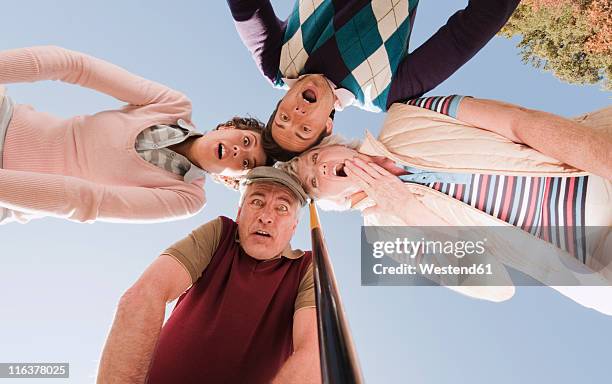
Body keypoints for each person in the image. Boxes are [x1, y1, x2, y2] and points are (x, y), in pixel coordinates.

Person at [278, 95, 612, 313]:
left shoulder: (407, 113)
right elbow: (495, 287)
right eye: (313, 182)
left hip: (598, 163)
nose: (320, 168)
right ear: (335, 201)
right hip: (592, 258)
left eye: (316, 157)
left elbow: (520, 121)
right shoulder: (385, 237)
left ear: (336, 145)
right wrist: (409, 210)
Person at [97, 167, 320, 384]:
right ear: (240, 213)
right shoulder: (220, 234)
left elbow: (313, 354)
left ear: (293, 227)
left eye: (282, 208)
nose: (266, 217)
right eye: (257, 202)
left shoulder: (306, 268)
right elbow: (144, 295)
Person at [0, 46, 271, 225]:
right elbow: (75, 66)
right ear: (228, 127)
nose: (239, 152)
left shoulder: (187, 198)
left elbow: (86, 201)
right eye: (247, 141)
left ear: (229, 179)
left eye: (246, 164)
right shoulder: (172, 105)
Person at [226, 0, 520, 159]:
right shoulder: (384, 92)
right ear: (326, 127)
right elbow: (463, 37)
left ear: (280, 104)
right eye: (304, 129)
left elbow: (245, 7)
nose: (297, 114)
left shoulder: (277, 64)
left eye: (283, 119)